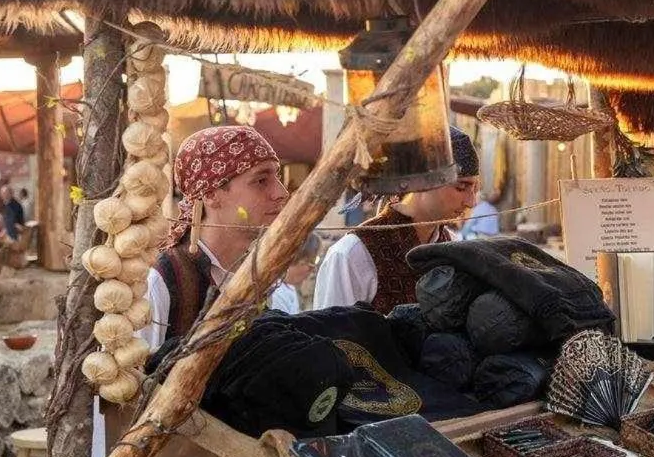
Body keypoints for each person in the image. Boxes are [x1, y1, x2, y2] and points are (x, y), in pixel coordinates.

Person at [138, 126, 289, 351]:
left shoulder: (261, 275)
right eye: (261, 180)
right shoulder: (161, 279)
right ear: (210, 194)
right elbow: (131, 379)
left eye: (275, 176)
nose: (281, 192)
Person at [314, 126, 479, 313]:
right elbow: (334, 337)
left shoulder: (452, 247)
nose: (471, 202)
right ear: (423, 181)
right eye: (462, 187)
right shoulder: (353, 255)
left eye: (475, 189)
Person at [270, 233, 322, 314]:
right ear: (294, 260)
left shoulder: (289, 288)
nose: (313, 269)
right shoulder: (275, 293)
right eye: (310, 262)